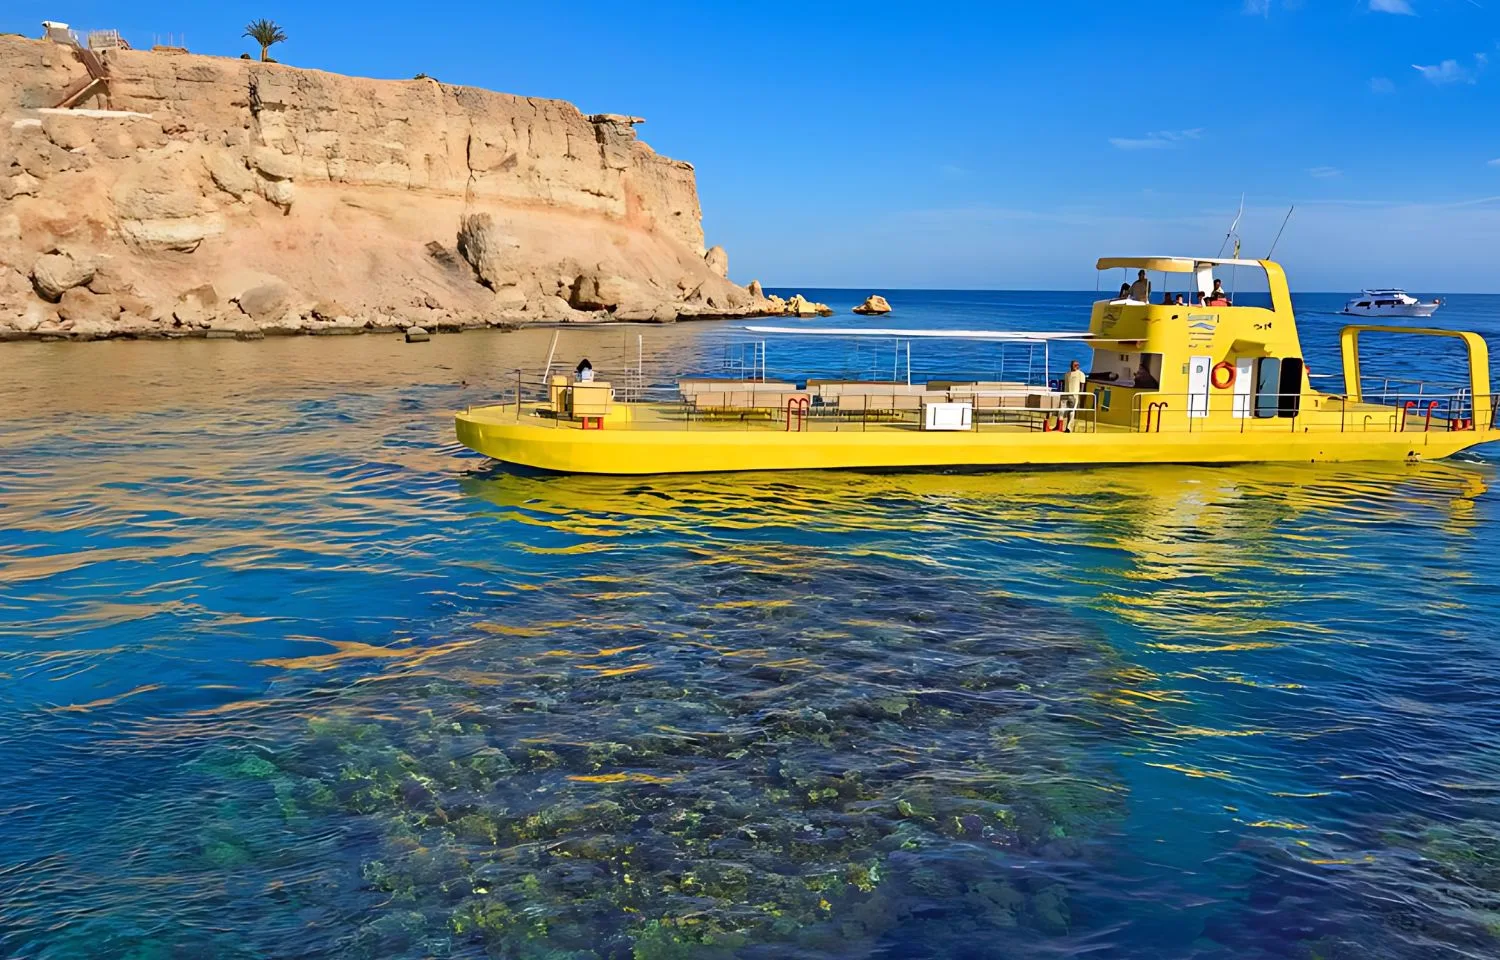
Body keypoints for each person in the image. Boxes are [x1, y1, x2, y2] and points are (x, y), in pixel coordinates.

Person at [1060, 359, 1087, 432]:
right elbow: (1064, 384)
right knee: (1061, 411)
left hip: (1074, 395)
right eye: (1075, 365)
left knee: (1071, 412)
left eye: (1077, 365)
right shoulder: (1067, 374)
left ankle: (1069, 428)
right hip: (1066, 394)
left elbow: (1082, 385)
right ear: (1071, 365)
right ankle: (1059, 426)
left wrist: (1080, 395)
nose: (1076, 366)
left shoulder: (1081, 374)